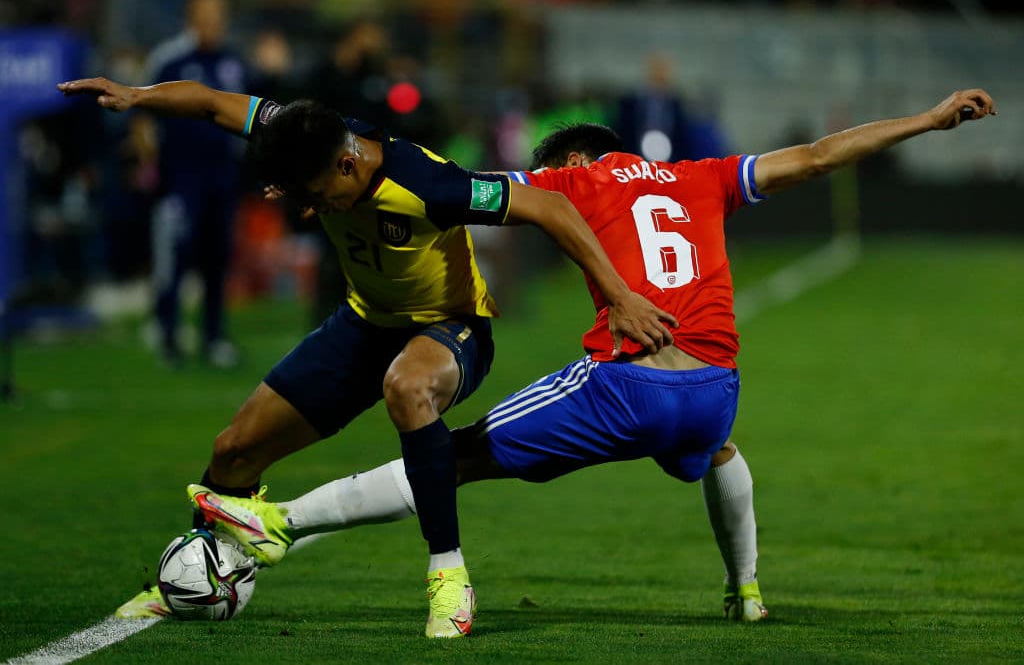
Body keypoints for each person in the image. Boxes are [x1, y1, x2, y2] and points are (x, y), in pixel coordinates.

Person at [184, 89, 998, 636]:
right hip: (716, 390)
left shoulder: (576, 180)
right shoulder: (703, 177)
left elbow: (475, 193)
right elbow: (820, 155)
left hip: (627, 383)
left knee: (450, 451)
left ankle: (280, 520)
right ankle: (746, 590)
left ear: (575, 160)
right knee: (718, 449)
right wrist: (927, 121)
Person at [56, 76, 678, 634]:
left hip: (451, 327)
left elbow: (550, 206)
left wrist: (620, 298)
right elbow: (217, 104)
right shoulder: (308, 136)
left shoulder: (428, 185)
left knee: (408, 389)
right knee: (233, 451)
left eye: (318, 195)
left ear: (348, 168)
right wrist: (138, 97)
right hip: (362, 323)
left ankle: (449, 581)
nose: (312, 208)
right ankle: (197, 577)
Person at [143, 0, 248, 367]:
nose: (213, 23)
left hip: (222, 176)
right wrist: (149, 165)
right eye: (206, 15)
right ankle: (168, 334)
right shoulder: (170, 60)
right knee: (175, 255)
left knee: (217, 258)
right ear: (191, 18)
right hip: (180, 177)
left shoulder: (233, 63)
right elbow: (143, 113)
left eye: (219, 16)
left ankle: (214, 337)